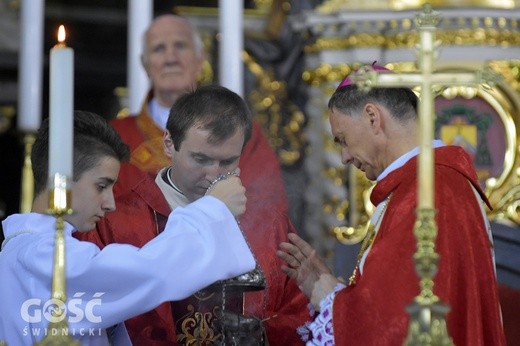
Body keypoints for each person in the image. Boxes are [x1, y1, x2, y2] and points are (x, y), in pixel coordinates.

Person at [276, 65, 506, 345]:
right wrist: (337, 293)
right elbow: (399, 301)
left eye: (343, 140)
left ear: (373, 118)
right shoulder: (427, 182)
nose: (345, 157)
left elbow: (396, 328)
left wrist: (328, 298)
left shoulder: (430, 190)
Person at [76, 86, 309, 345]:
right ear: (169, 144)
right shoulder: (116, 224)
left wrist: (265, 334)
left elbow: (297, 313)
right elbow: (88, 313)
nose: (213, 175)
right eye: (200, 159)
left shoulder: (269, 225)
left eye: (228, 162)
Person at [0, 111, 256, 345]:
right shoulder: (41, 256)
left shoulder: (30, 249)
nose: (110, 203)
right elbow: (151, 272)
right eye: (101, 186)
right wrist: (214, 209)